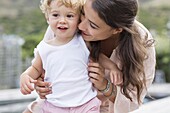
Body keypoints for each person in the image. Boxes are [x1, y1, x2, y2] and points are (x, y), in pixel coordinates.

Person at [26, 0, 156, 113]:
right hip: (59, 103)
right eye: (83, 14)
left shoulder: (143, 44)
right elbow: (42, 65)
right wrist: (40, 84)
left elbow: (132, 101)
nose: (81, 26)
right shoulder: (66, 21)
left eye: (93, 25)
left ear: (117, 30)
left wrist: (105, 85)